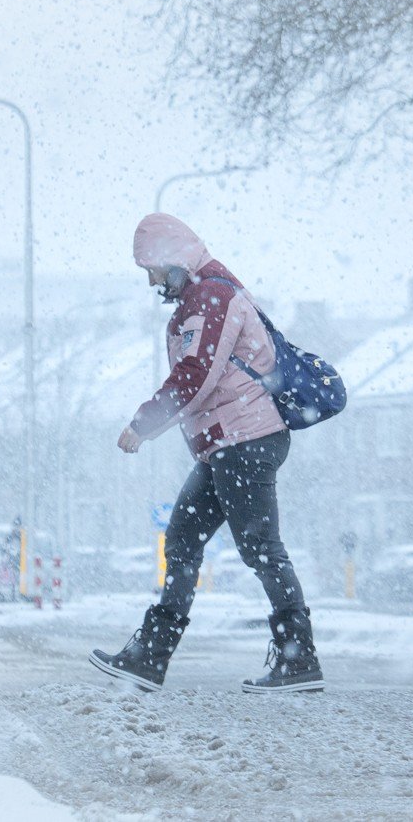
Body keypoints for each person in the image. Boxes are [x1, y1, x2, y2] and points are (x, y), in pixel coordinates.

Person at [89, 213, 324, 694]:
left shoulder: (212, 297)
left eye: (152, 269)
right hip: (226, 444)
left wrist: (144, 423)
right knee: (182, 539)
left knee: (261, 548)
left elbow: (198, 372)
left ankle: (298, 658)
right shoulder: (200, 299)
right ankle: (149, 658)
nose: (152, 282)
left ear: (172, 258)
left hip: (246, 440)